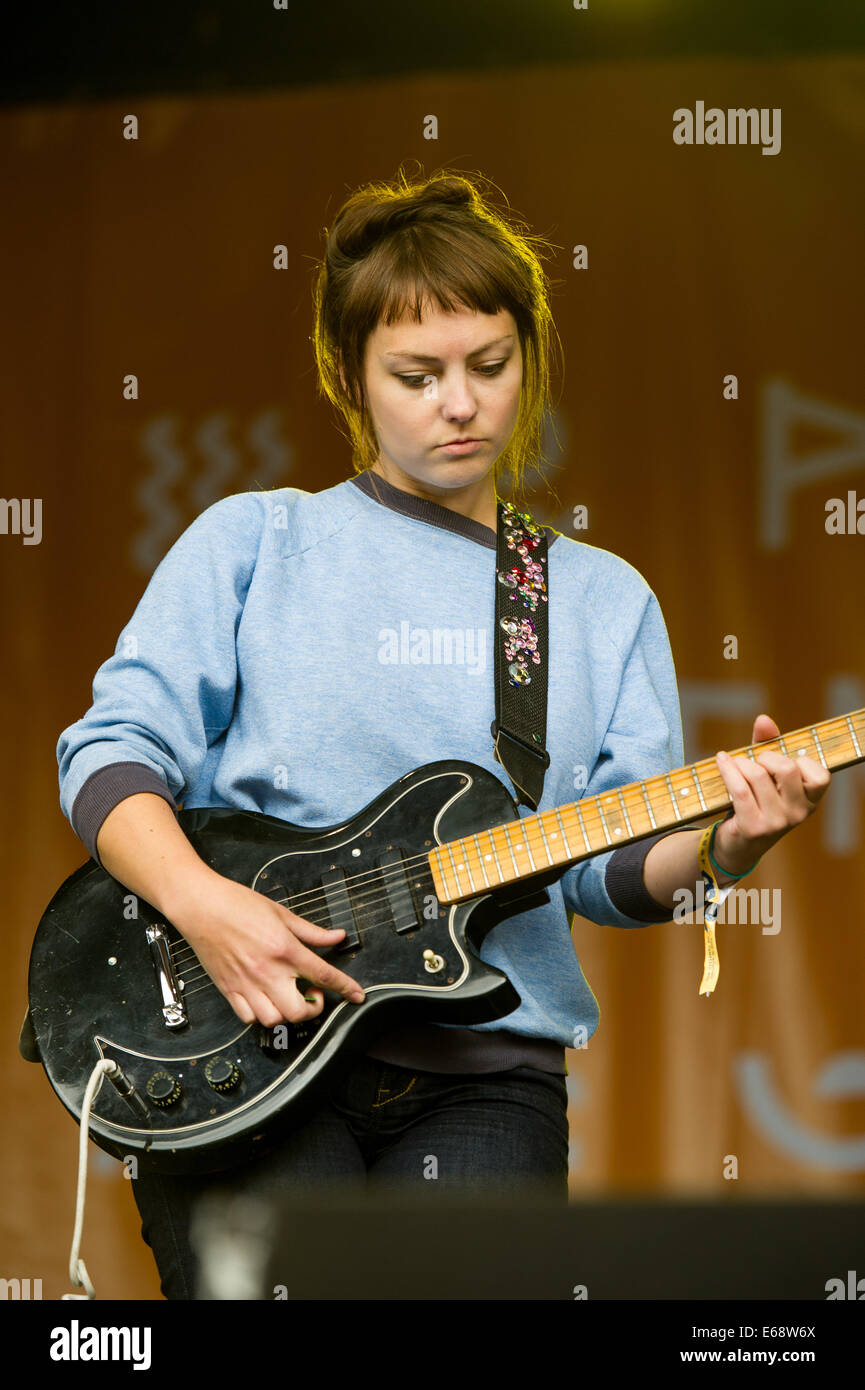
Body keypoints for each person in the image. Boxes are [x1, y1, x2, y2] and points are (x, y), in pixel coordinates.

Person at [56, 167, 830, 1300]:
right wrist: (204, 906)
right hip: (240, 1050)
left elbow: (604, 870)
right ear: (349, 374)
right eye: (415, 375)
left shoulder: (592, 597)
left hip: (487, 1072)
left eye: (488, 366)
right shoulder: (256, 541)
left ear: (531, 358)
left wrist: (731, 844)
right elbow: (111, 749)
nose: (457, 404)